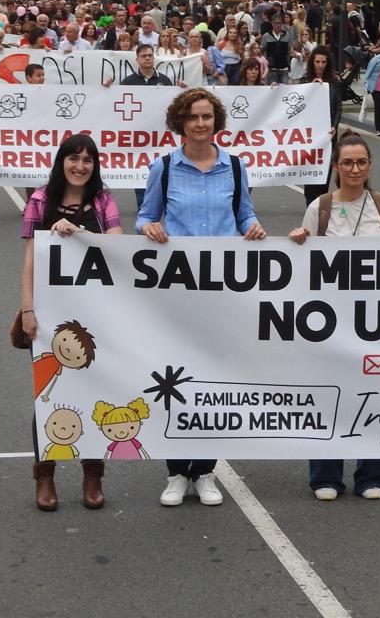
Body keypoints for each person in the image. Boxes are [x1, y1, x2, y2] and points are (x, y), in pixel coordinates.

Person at [136, 89, 267, 508]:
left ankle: (205, 469)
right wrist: (147, 229)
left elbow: (244, 213)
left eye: (207, 116)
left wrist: (254, 227)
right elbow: (145, 214)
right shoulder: (165, 168)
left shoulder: (234, 166)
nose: (200, 124)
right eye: (192, 117)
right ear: (180, 122)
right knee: (176, 381)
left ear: (217, 121)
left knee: (216, 380)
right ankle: (176, 471)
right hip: (177, 291)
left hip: (224, 289)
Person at [289, 131, 380, 500]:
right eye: (347, 162)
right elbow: (303, 261)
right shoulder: (320, 207)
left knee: (374, 394)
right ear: (335, 166)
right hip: (329, 322)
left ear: (369, 166)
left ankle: (372, 475)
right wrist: (299, 238)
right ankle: (325, 476)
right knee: (329, 394)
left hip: (375, 321)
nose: (354, 168)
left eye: (361, 162)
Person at [13, 133, 123, 511]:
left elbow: (117, 246)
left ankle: (93, 473)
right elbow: (30, 260)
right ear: (62, 162)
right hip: (50, 316)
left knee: (96, 392)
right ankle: (45, 475)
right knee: (49, 394)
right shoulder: (40, 200)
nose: (80, 166)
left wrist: (80, 233)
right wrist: (28, 309)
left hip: (96, 317)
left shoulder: (102, 200)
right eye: (74, 159)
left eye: (88, 160)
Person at [302, 46, 342, 206]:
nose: (320, 65)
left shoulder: (334, 82)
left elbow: (338, 106)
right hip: (309, 137)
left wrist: (335, 126)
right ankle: (310, 207)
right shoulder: (305, 81)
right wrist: (312, 88)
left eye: (323, 62)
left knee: (323, 177)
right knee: (310, 178)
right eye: (317, 61)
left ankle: (321, 212)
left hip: (327, 137)